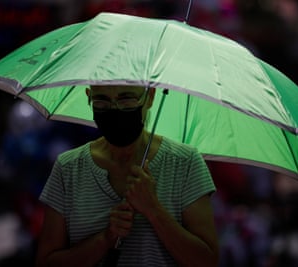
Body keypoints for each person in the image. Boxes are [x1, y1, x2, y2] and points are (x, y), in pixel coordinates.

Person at [35, 85, 219, 267]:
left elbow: (208, 261)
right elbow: (47, 261)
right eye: (102, 101)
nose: (115, 110)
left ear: (150, 96)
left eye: (126, 99)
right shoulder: (68, 168)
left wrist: (153, 209)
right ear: (88, 96)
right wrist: (106, 238)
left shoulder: (185, 163)